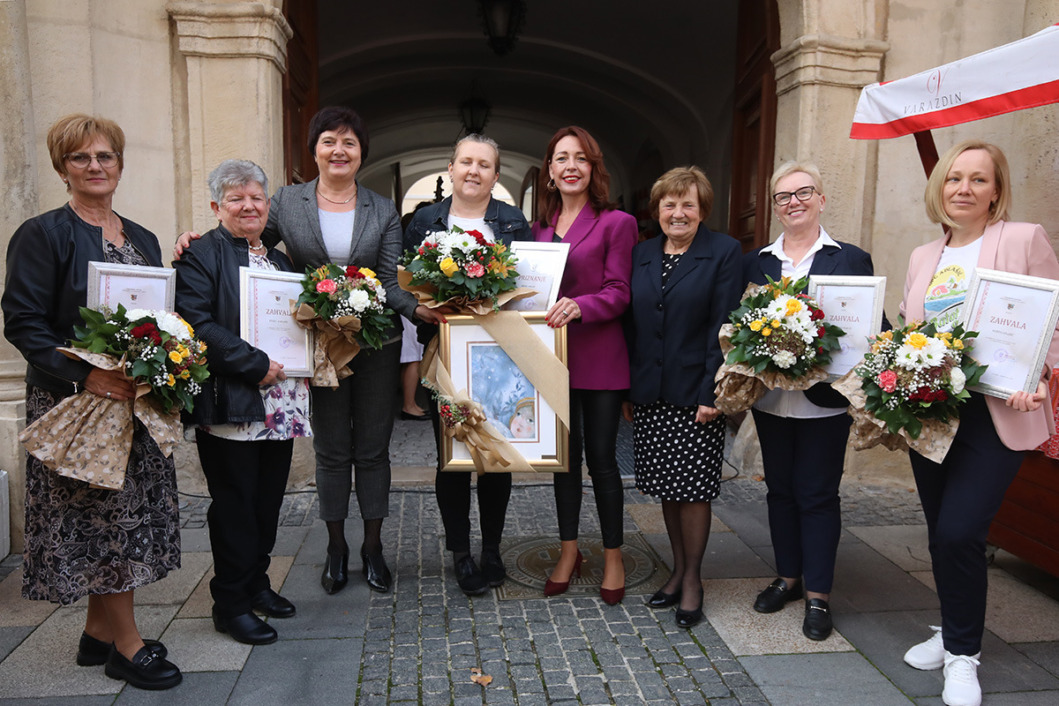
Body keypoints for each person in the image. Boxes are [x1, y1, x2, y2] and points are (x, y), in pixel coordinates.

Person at [175, 107, 441, 595]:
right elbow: (249, 246)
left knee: (374, 450)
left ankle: (373, 548)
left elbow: (385, 281)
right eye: (328, 141)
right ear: (314, 150)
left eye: (349, 142)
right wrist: (196, 240)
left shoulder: (381, 209)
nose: (338, 150)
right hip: (314, 349)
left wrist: (421, 311)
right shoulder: (286, 203)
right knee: (332, 449)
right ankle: (337, 548)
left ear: (362, 153)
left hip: (374, 343)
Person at [1, 114, 181, 689]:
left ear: (120, 165)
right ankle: (126, 647)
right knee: (105, 523)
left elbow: (158, 317)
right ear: (62, 168)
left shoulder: (144, 237)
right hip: (76, 406)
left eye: (105, 156)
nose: (95, 166)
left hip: (135, 403)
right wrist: (85, 376)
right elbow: (23, 322)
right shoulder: (43, 233)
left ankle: (97, 633)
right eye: (81, 158)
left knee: (124, 516)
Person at [899, 140, 1059, 706]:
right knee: (941, 529)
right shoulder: (923, 255)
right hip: (933, 415)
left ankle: (964, 656)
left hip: (997, 411)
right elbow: (907, 328)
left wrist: (1042, 376)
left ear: (997, 190)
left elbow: (1053, 319)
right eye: (954, 178)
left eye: (978, 180)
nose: (963, 188)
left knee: (961, 531)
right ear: (939, 187)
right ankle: (951, 629)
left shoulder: (1022, 239)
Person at [173, 160, 308, 645]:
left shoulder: (281, 260)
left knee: (268, 501)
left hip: (281, 402)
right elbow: (194, 322)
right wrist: (254, 364)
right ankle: (229, 603)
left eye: (256, 197)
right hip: (232, 401)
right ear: (216, 206)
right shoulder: (200, 256)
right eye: (236, 198)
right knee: (234, 505)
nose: (248, 205)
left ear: (268, 205)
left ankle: (256, 584)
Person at [743, 161, 876, 641]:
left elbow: (868, 329)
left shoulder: (851, 258)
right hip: (772, 400)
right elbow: (739, 325)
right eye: (783, 196)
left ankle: (818, 595)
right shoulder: (756, 261)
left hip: (826, 400)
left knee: (818, 495)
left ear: (821, 199)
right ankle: (788, 577)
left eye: (803, 192)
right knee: (780, 490)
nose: (793, 202)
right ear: (775, 207)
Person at [403, 133, 533, 596]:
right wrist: (420, 308)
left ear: (496, 177)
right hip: (444, 352)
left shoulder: (513, 223)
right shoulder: (424, 222)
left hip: (499, 354)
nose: (473, 171)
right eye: (465, 162)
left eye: (484, 165)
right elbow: (405, 282)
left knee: (495, 455)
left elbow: (530, 282)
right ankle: (461, 552)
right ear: (452, 169)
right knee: (452, 457)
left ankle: (492, 548)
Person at [622, 167, 741, 628]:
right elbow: (634, 325)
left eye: (687, 204)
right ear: (657, 210)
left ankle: (692, 580)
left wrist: (713, 390)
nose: (678, 213)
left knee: (693, 491)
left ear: (702, 209)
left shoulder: (723, 252)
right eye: (669, 204)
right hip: (652, 393)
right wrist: (633, 387)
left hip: (697, 395)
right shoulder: (642, 253)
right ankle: (677, 571)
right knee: (668, 490)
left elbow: (724, 327)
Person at [533, 126, 637, 605]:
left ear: (592, 167)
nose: (570, 165)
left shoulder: (617, 222)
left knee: (602, 462)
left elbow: (620, 291)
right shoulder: (537, 229)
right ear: (550, 171)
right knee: (563, 464)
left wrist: (581, 305)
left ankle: (613, 555)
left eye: (580, 157)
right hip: (551, 358)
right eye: (561, 158)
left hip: (599, 358)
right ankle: (569, 550)